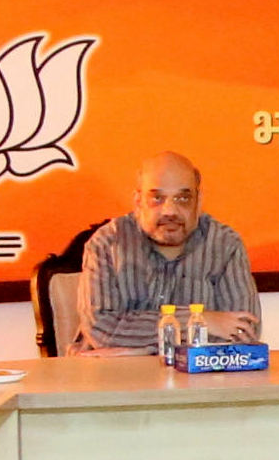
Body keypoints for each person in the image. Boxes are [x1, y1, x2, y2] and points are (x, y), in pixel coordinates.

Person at [73, 151, 260, 353]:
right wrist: (200, 320)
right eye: (157, 198)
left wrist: (140, 347)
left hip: (194, 381)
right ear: (138, 202)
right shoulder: (108, 243)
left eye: (182, 198)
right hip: (112, 378)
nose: (169, 211)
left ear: (199, 202)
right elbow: (101, 329)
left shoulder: (225, 245)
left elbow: (244, 332)